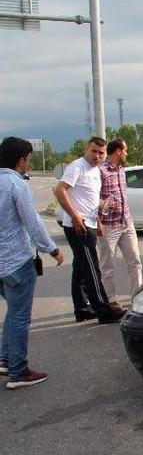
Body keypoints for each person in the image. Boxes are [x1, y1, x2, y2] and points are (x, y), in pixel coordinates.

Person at [0, 137, 64, 389]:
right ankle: (18, 371)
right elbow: (33, 223)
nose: (28, 163)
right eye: (27, 159)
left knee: (12, 314)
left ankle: (5, 360)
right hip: (16, 261)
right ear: (20, 160)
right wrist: (53, 249)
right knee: (19, 317)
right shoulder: (16, 185)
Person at [54, 137, 125, 323]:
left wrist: (100, 220)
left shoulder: (94, 171)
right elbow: (59, 190)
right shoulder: (77, 167)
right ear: (87, 149)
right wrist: (76, 216)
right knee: (92, 268)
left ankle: (82, 309)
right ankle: (104, 310)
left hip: (90, 223)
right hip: (79, 226)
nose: (97, 156)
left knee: (80, 268)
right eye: (94, 151)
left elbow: (90, 199)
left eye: (101, 153)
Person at [97, 138, 143, 303]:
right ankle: (110, 300)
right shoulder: (101, 171)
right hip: (108, 226)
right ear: (118, 151)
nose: (127, 153)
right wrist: (98, 221)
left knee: (135, 261)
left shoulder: (122, 170)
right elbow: (91, 199)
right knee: (107, 266)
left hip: (126, 223)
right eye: (125, 150)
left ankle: (137, 297)